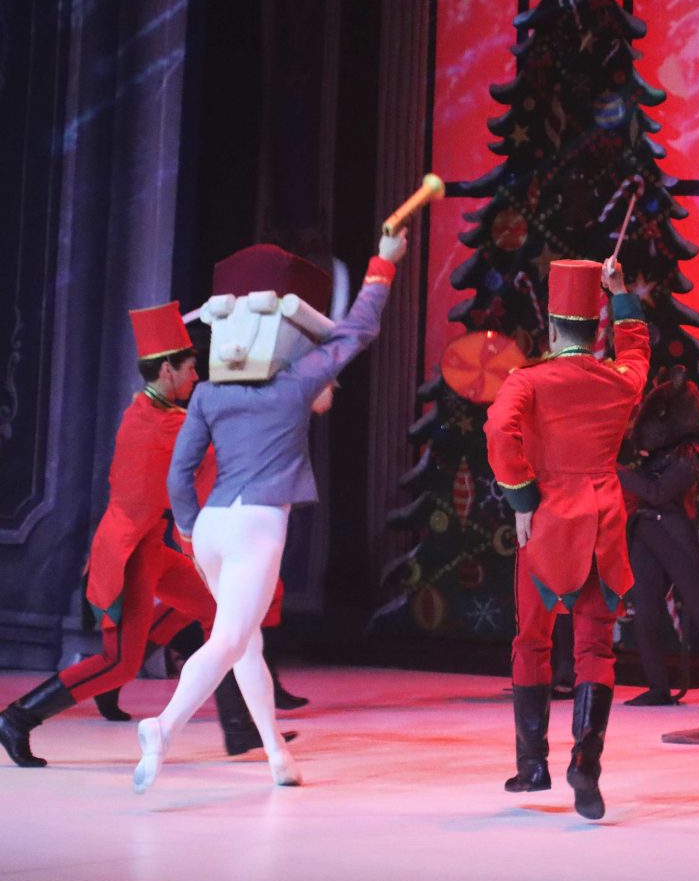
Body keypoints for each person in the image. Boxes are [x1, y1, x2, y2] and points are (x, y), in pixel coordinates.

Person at [132, 230, 407, 793]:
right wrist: (383, 263)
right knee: (230, 641)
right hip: (256, 526)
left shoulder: (209, 394)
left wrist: (188, 531)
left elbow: (180, 474)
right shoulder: (293, 385)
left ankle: (277, 754)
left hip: (212, 525)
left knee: (245, 643)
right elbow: (358, 331)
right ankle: (163, 727)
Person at [0, 304, 220, 768]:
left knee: (213, 607)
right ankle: (17, 719)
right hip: (130, 553)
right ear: (167, 370)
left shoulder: (144, 410)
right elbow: (208, 465)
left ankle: (240, 725)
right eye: (190, 367)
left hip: (149, 546)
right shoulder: (163, 425)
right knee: (119, 661)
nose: (196, 376)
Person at [486, 258, 649, 819]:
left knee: (531, 641)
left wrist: (520, 496)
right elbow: (637, 354)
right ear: (595, 329)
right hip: (601, 525)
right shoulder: (618, 380)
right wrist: (621, 294)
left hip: (545, 524)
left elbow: (498, 430)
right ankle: (586, 759)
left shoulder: (528, 380)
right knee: (595, 650)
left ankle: (533, 766)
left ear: (553, 330)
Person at [617, 367, 699, 709]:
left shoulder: (691, 454)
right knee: (645, 612)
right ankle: (658, 686)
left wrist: (617, 472)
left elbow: (658, 492)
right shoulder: (658, 455)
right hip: (646, 533)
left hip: (673, 535)